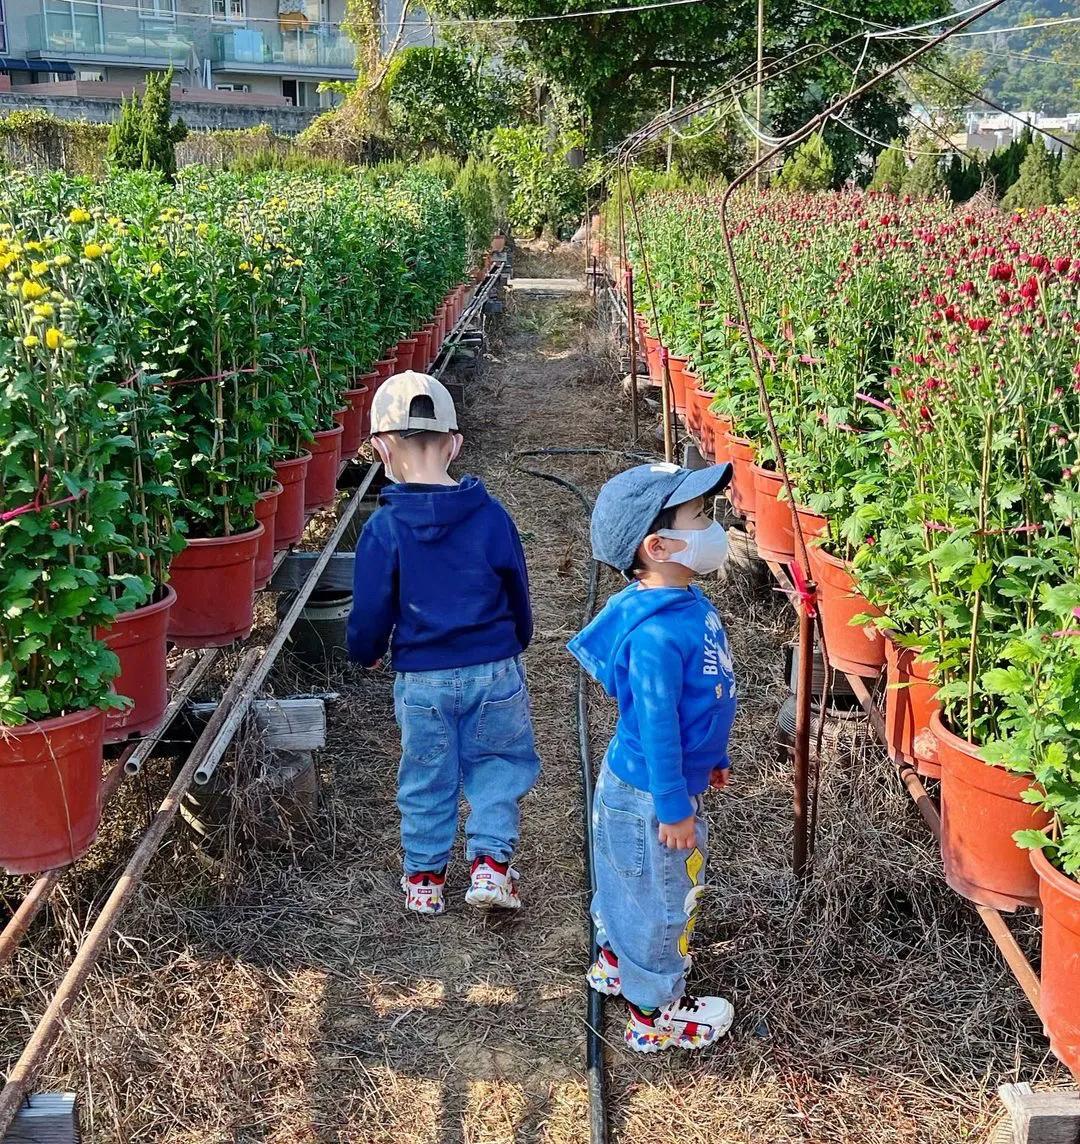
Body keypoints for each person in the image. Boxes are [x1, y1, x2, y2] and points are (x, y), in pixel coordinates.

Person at [347, 371, 539, 916]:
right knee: (496, 763)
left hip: (423, 678)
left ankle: (426, 878)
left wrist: (366, 650)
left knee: (426, 769)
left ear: (382, 447)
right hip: (494, 667)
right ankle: (490, 866)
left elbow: (370, 610)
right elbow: (516, 590)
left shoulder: (384, 530)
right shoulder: (492, 516)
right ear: (455, 443)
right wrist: (515, 639)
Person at [567, 461, 738, 1053]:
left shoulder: (679, 602)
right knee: (665, 896)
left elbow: (695, 706)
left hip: (649, 784)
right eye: (701, 517)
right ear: (659, 545)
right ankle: (656, 1009)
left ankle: (616, 960)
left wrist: (706, 760)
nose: (714, 526)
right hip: (650, 795)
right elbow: (659, 727)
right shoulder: (656, 636)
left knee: (626, 877)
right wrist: (673, 804)